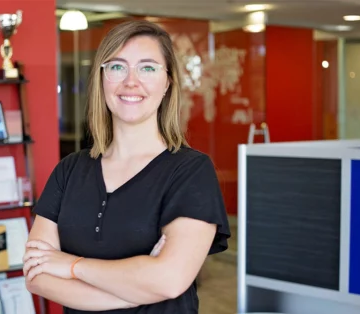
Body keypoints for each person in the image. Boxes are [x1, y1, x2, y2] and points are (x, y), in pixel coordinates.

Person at [22, 19, 231, 313]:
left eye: (147, 68)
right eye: (117, 67)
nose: (131, 82)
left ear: (167, 82)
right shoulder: (69, 171)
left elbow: (170, 281)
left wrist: (71, 265)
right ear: (102, 78)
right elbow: (37, 275)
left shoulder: (191, 171)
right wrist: (139, 289)